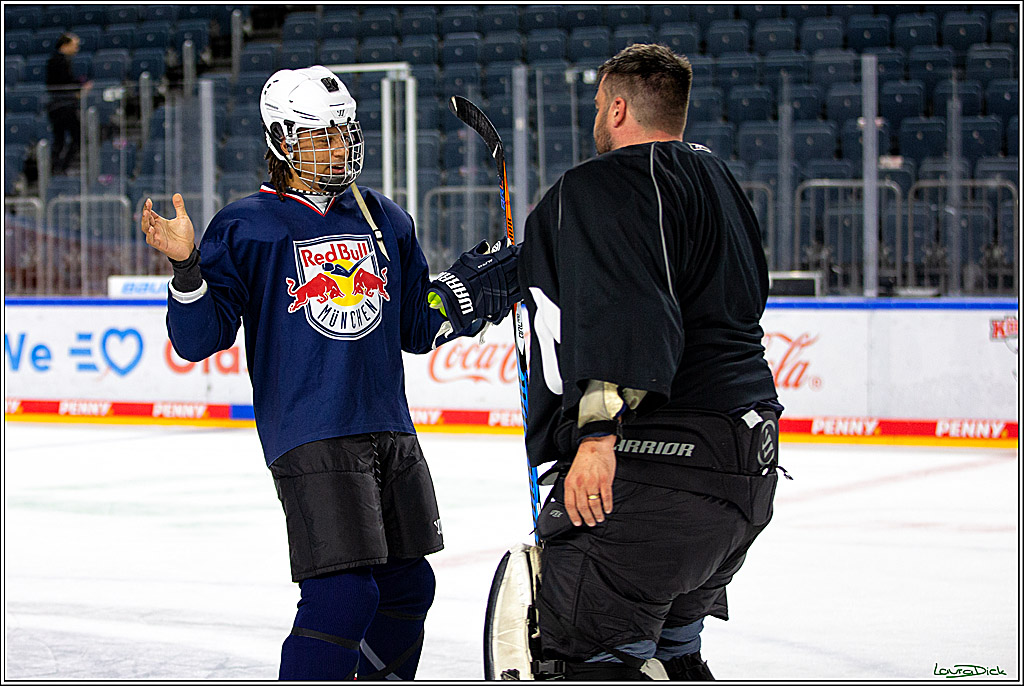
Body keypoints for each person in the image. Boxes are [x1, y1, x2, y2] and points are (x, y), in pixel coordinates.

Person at [139, 66, 488, 681]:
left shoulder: (387, 218)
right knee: (343, 596)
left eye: (344, 131)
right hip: (310, 431)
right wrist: (187, 267)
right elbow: (199, 340)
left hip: (389, 424)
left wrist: (474, 289)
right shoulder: (246, 224)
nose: (338, 145)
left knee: (409, 587)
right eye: (320, 134)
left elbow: (415, 325)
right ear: (280, 139)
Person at [518, 44, 788, 681]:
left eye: (596, 106)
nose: (594, 118)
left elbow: (627, 314)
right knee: (674, 653)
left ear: (617, 108)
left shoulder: (602, 184)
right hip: (746, 472)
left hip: (659, 469)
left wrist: (595, 436)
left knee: (588, 658)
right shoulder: (718, 180)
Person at [45, 32, 90, 174]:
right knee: (75, 137)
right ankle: (59, 168)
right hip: (63, 106)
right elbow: (62, 82)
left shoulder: (61, 60)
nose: (77, 48)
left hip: (61, 105)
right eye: (74, 45)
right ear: (65, 45)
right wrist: (79, 87)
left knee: (61, 140)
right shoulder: (58, 61)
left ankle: (57, 168)